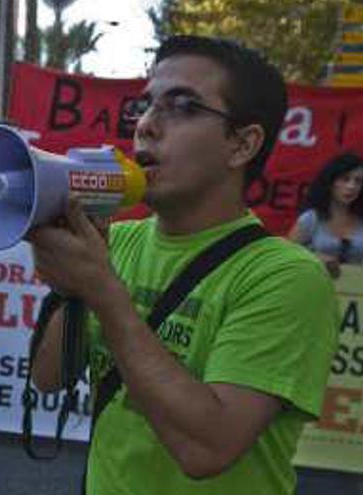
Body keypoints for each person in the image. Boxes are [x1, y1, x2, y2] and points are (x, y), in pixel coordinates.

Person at [28, 36, 338, 494]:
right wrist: (69, 287)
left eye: (183, 107)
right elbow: (48, 378)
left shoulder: (287, 276)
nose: (147, 125)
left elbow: (207, 449)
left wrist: (102, 292)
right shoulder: (118, 242)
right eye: (146, 105)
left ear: (242, 145)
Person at [288, 152, 363, 276]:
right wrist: (315, 258)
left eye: (358, 181)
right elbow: (289, 254)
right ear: (330, 181)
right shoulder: (311, 219)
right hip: (315, 284)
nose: (351, 186)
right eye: (345, 179)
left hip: (355, 290)